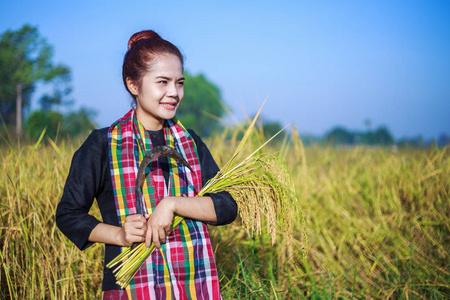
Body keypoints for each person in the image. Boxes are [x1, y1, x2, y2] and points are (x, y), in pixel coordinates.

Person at [56, 30, 237, 300]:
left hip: (194, 284)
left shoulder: (190, 143)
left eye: (179, 83)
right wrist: (121, 235)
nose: (174, 93)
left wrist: (172, 204)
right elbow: (69, 214)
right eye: (162, 82)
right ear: (133, 84)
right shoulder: (103, 144)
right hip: (130, 288)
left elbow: (227, 206)